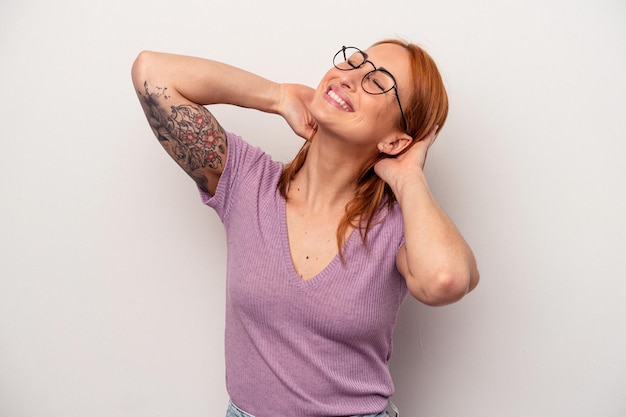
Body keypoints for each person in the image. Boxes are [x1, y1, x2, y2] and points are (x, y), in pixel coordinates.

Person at [131, 39, 479, 417]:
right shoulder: (248, 182)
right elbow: (152, 72)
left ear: (396, 139)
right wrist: (277, 96)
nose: (350, 77)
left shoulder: (398, 225)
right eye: (353, 62)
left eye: (378, 81)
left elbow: (445, 280)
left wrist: (409, 175)